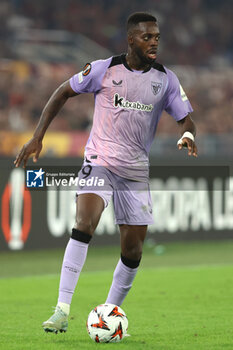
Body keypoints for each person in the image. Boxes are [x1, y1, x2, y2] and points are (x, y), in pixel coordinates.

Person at [14, 12, 198, 334]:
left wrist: (189, 134)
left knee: (133, 251)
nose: (154, 42)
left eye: (156, 36)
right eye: (147, 37)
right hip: (99, 160)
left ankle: (110, 313)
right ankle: (61, 309)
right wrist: (38, 136)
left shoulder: (165, 79)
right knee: (84, 223)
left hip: (136, 172)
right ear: (131, 39)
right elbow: (63, 92)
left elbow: (186, 117)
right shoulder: (103, 69)